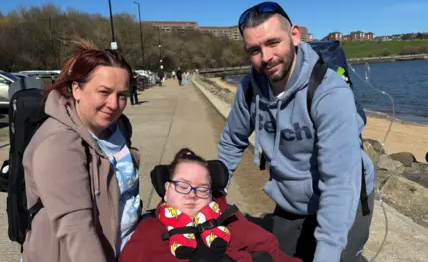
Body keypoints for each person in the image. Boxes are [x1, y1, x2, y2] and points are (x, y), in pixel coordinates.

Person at [217, 1, 375, 262]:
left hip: (344, 195)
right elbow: (232, 142)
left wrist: (328, 249)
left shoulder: (329, 92)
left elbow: (338, 181)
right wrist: (212, 194)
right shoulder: (248, 90)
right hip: (290, 199)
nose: (266, 57)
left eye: (273, 42)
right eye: (255, 50)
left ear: (295, 36)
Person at [22, 39, 141, 262]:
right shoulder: (58, 144)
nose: (114, 104)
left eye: (122, 95)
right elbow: (76, 230)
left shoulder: (116, 128)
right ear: (77, 89)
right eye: (104, 92)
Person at [118, 148, 301, 262]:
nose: (192, 194)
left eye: (202, 189)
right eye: (182, 185)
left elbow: (272, 251)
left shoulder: (229, 219)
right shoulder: (149, 228)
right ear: (166, 190)